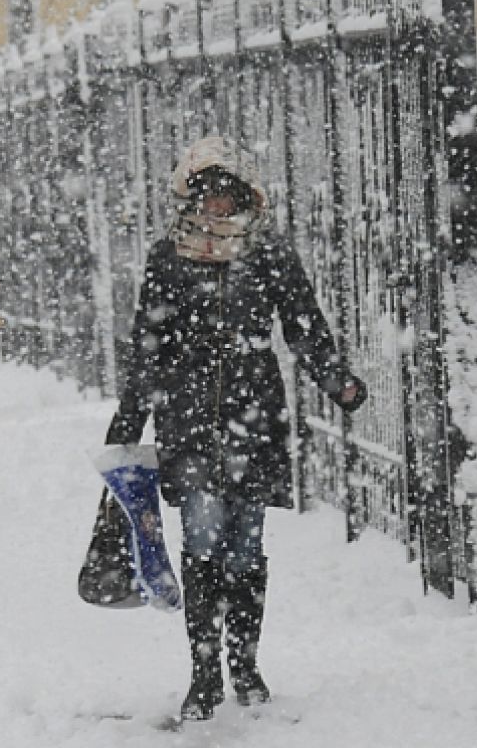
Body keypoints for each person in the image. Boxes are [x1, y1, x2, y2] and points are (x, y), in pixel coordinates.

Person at [104, 135, 368, 721]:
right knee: (201, 539)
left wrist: (336, 381)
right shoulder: (168, 257)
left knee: (246, 546)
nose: (218, 209)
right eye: (208, 195)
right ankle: (204, 674)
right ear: (190, 198)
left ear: (246, 198)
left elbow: (303, 324)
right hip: (188, 418)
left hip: (254, 418)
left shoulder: (268, 252)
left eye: (229, 196)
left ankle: (245, 663)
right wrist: (127, 423)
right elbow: (148, 345)